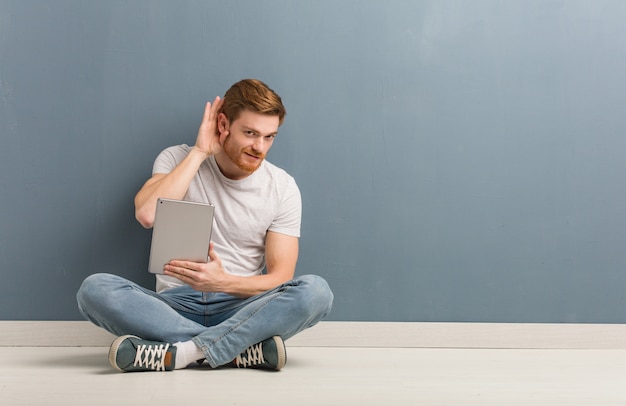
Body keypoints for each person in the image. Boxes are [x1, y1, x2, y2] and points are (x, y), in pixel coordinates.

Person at [76, 79, 333, 372]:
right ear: (223, 124)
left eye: (269, 136)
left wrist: (222, 282)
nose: (260, 147)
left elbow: (280, 277)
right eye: (250, 133)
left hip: (242, 307)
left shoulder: (282, 187)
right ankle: (238, 352)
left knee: (316, 292)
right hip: (172, 306)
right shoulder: (176, 158)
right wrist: (199, 153)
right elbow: (147, 214)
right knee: (94, 290)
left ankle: (182, 353)